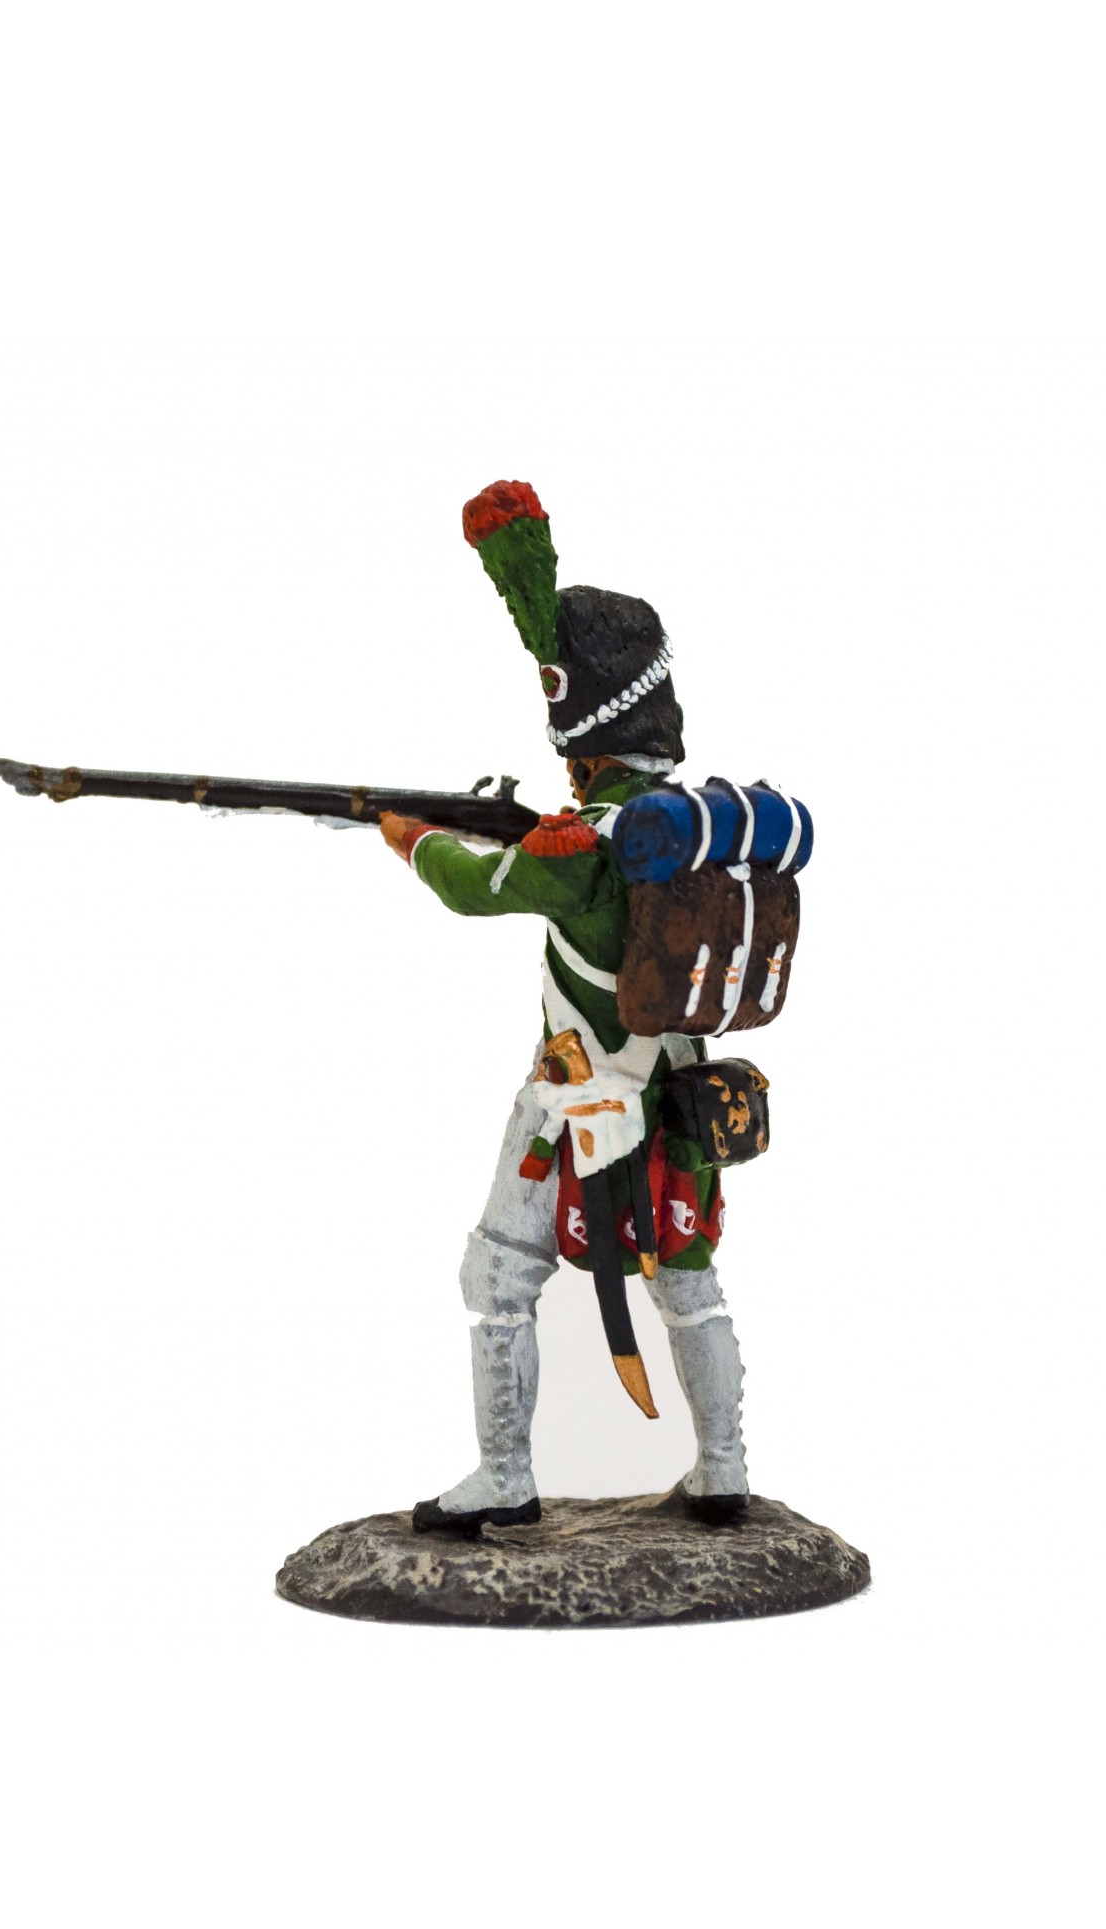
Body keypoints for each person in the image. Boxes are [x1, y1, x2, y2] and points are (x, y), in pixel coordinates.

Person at [374, 484, 748, 1535]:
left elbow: (473, 886)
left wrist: (411, 837)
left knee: (498, 1272)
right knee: (689, 1283)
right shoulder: (691, 821)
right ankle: (724, 1469)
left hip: (576, 1092)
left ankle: (504, 1476)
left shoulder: (586, 842)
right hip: (680, 1090)